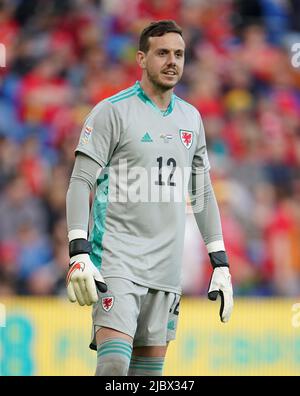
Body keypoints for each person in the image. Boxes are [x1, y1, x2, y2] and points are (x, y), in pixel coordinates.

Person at [65, 20, 233, 376]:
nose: (172, 61)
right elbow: (81, 180)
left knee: (148, 377)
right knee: (113, 365)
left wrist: (220, 261)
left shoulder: (191, 118)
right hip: (118, 261)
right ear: (141, 58)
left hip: (166, 270)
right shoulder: (113, 111)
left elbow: (201, 191)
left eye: (179, 54)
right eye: (162, 53)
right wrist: (78, 251)